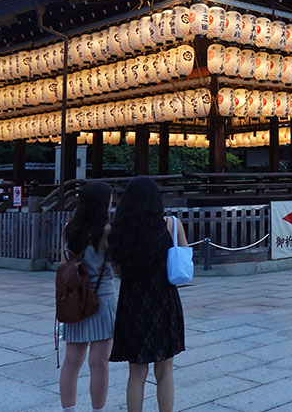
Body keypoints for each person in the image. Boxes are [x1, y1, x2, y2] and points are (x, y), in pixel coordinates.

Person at [109, 176, 187, 412]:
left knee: (136, 371)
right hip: (164, 300)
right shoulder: (172, 225)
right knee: (164, 369)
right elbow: (184, 257)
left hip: (132, 302)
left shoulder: (117, 230)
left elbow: (117, 269)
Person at [60, 181, 118, 412]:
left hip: (75, 300)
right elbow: (116, 266)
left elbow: (65, 265)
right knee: (99, 363)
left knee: (71, 362)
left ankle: (69, 409)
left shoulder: (69, 230)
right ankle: (98, 410)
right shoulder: (107, 232)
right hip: (102, 298)